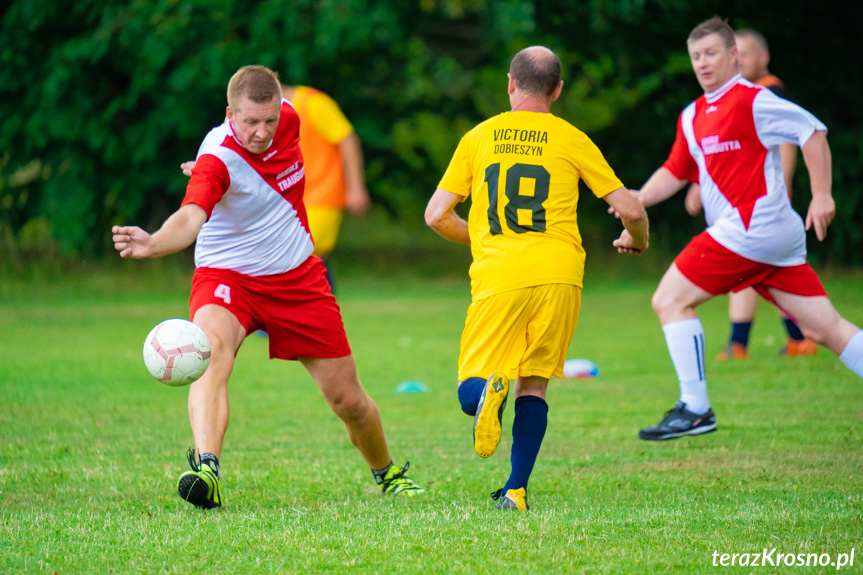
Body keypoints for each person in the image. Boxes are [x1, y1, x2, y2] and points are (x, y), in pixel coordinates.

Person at [113, 65, 422, 508]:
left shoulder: (292, 117)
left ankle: (387, 473)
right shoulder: (216, 159)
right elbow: (190, 218)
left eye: (269, 121)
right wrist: (155, 242)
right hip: (228, 279)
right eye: (250, 122)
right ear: (229, 114)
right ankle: (207, 470)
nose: (261, 132)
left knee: (348, 401)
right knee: (210, 354)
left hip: (298, 278)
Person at [425, 46, 649, 511]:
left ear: (510, 83)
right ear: (558, 90)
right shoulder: (571, 138)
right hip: (559, 275)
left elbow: (436, 215)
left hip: (499, 275)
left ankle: (487, 393)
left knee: (474, 387)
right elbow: (631, 208)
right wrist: (637, 240)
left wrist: (484, 238)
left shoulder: (479, 137)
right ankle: (516, 490)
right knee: (535, 384)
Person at [632, 17, 863, 441]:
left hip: (753, 230)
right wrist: (638, 199)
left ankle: (696, 409)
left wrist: (823, 195)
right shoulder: (691, 115)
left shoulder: (751, 99)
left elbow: (812, 131)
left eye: (711, 54)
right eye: (695, 56)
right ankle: (696, 407)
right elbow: (675, 170)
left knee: (669, 300)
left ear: (733, 56)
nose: (702, 63)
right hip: (769, 239)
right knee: (823, 328)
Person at [684, 28, 815, 361]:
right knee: (760, 275)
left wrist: (782, 188)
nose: (737, 61)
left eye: (742, 55)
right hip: (746, 207)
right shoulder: (735, 98)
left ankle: (787, 339)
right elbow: (726, 153)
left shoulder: (766, 93)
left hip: (764, 204)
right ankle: (765, 341)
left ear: (764, 57)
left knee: (761, 273)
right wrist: (701, 184)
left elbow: (791, 141)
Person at [182, 83, 370, 291]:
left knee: (295, 255)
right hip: (285, 198)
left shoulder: (313, 104)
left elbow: (347, 139)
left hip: (321, 198)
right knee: (299, 259)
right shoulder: (265, 120)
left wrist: (355, 188)